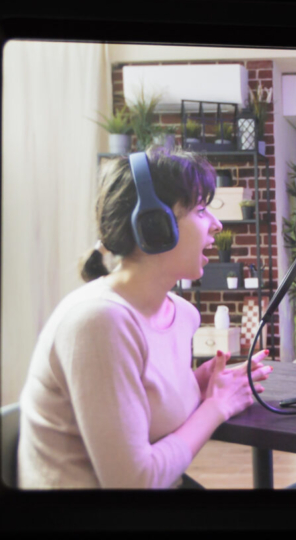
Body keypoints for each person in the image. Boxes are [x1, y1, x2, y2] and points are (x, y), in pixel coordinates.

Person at [17, 148, 271, 489]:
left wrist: (197, 384)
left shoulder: (182, 314)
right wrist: (217, 408)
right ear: (155, 225)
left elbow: (143, 411)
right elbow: (133, 482)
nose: (217, 224)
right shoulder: (98, 323)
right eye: (200, 210)